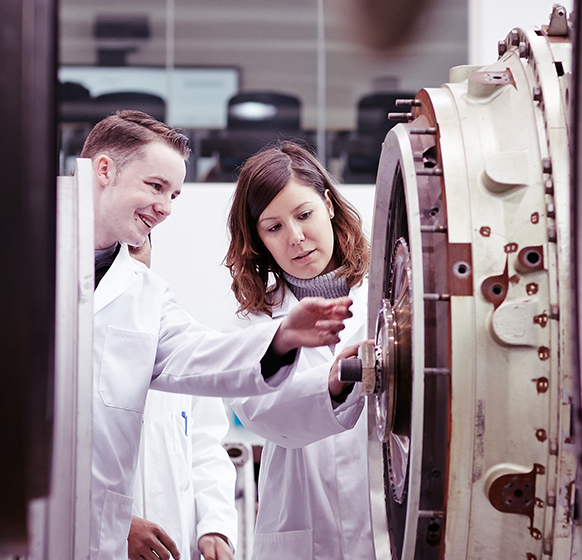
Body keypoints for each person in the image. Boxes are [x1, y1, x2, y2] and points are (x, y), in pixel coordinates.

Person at [81, 110, 354, 560]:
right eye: (156, 187)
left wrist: (281, 339)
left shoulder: (145, 295)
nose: (167, 207)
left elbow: (202, 356)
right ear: (105, 170)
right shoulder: (16, 261)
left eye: (174, 194)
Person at [225, 142, 375, 560]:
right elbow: (263, 414)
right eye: (273, 228)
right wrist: (330, 384)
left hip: (383, 521)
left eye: (304, 214)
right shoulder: (254, 323)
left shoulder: (392, 297)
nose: (295, 238)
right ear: (259, 241)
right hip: (303, 533)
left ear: (328, 204)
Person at [127, 239, 237, 560]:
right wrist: (117, 526)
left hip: (177, 547)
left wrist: (214, 527)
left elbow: (205, 448)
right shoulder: (66, 342)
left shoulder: (182, 341)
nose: (127, 262)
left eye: (135, 247)